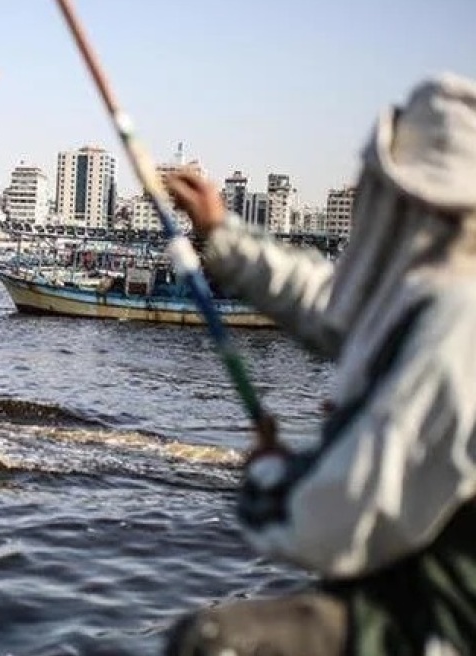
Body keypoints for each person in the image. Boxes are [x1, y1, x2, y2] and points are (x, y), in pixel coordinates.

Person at [161, 72, 476, 656]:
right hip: (404, 587)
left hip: (438, 626)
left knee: (214, 642)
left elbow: (335, 520)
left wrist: (269, 476)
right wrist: (221, 233)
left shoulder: (457, 324)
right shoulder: (431, 300)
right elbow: (333, 307)